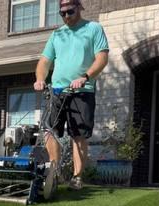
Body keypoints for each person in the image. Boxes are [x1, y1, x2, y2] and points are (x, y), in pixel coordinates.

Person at [34, 0, 109, 195]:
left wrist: (85, 77)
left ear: (80, 7)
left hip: (82, 91)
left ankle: (77, 177)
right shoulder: (57, 34)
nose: (66, 16)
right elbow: (44, 61)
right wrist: (40, 79)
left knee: (79, 135)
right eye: (63, 13)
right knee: (49, 130)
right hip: (57, 91)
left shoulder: (93, 28)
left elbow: (102, 57)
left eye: (70, 12)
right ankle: (54, 172)